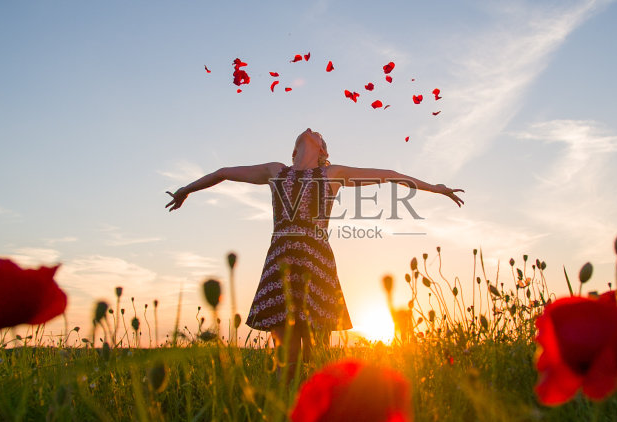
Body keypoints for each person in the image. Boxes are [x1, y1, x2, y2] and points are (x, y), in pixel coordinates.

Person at [165, 128, 464, 378]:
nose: (311, 130)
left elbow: (389, 175)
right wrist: (185, 190)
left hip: (316, 264)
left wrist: (435, 188)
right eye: (309, 133)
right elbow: (223, 173)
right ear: (294, 149)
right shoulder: (275, 170)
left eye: (318, 134)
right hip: (280, 263)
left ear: (322, 150)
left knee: (317, 357)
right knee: (285, 361)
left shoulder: (332, 173)